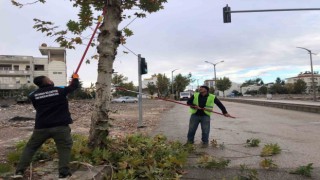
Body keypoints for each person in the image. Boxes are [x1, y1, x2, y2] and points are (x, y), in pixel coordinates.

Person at [12, 74, 79, 179]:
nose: (51, 80)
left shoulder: (33, 95)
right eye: (49, 79)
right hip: (60, 126)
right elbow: (73, 87)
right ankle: (63, 174)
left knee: (30, 148)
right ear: (47, 82)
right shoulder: (59, 90)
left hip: (41, 127)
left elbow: (37, 106)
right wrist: (75, 78)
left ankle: (19, 172)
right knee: (64, 148)